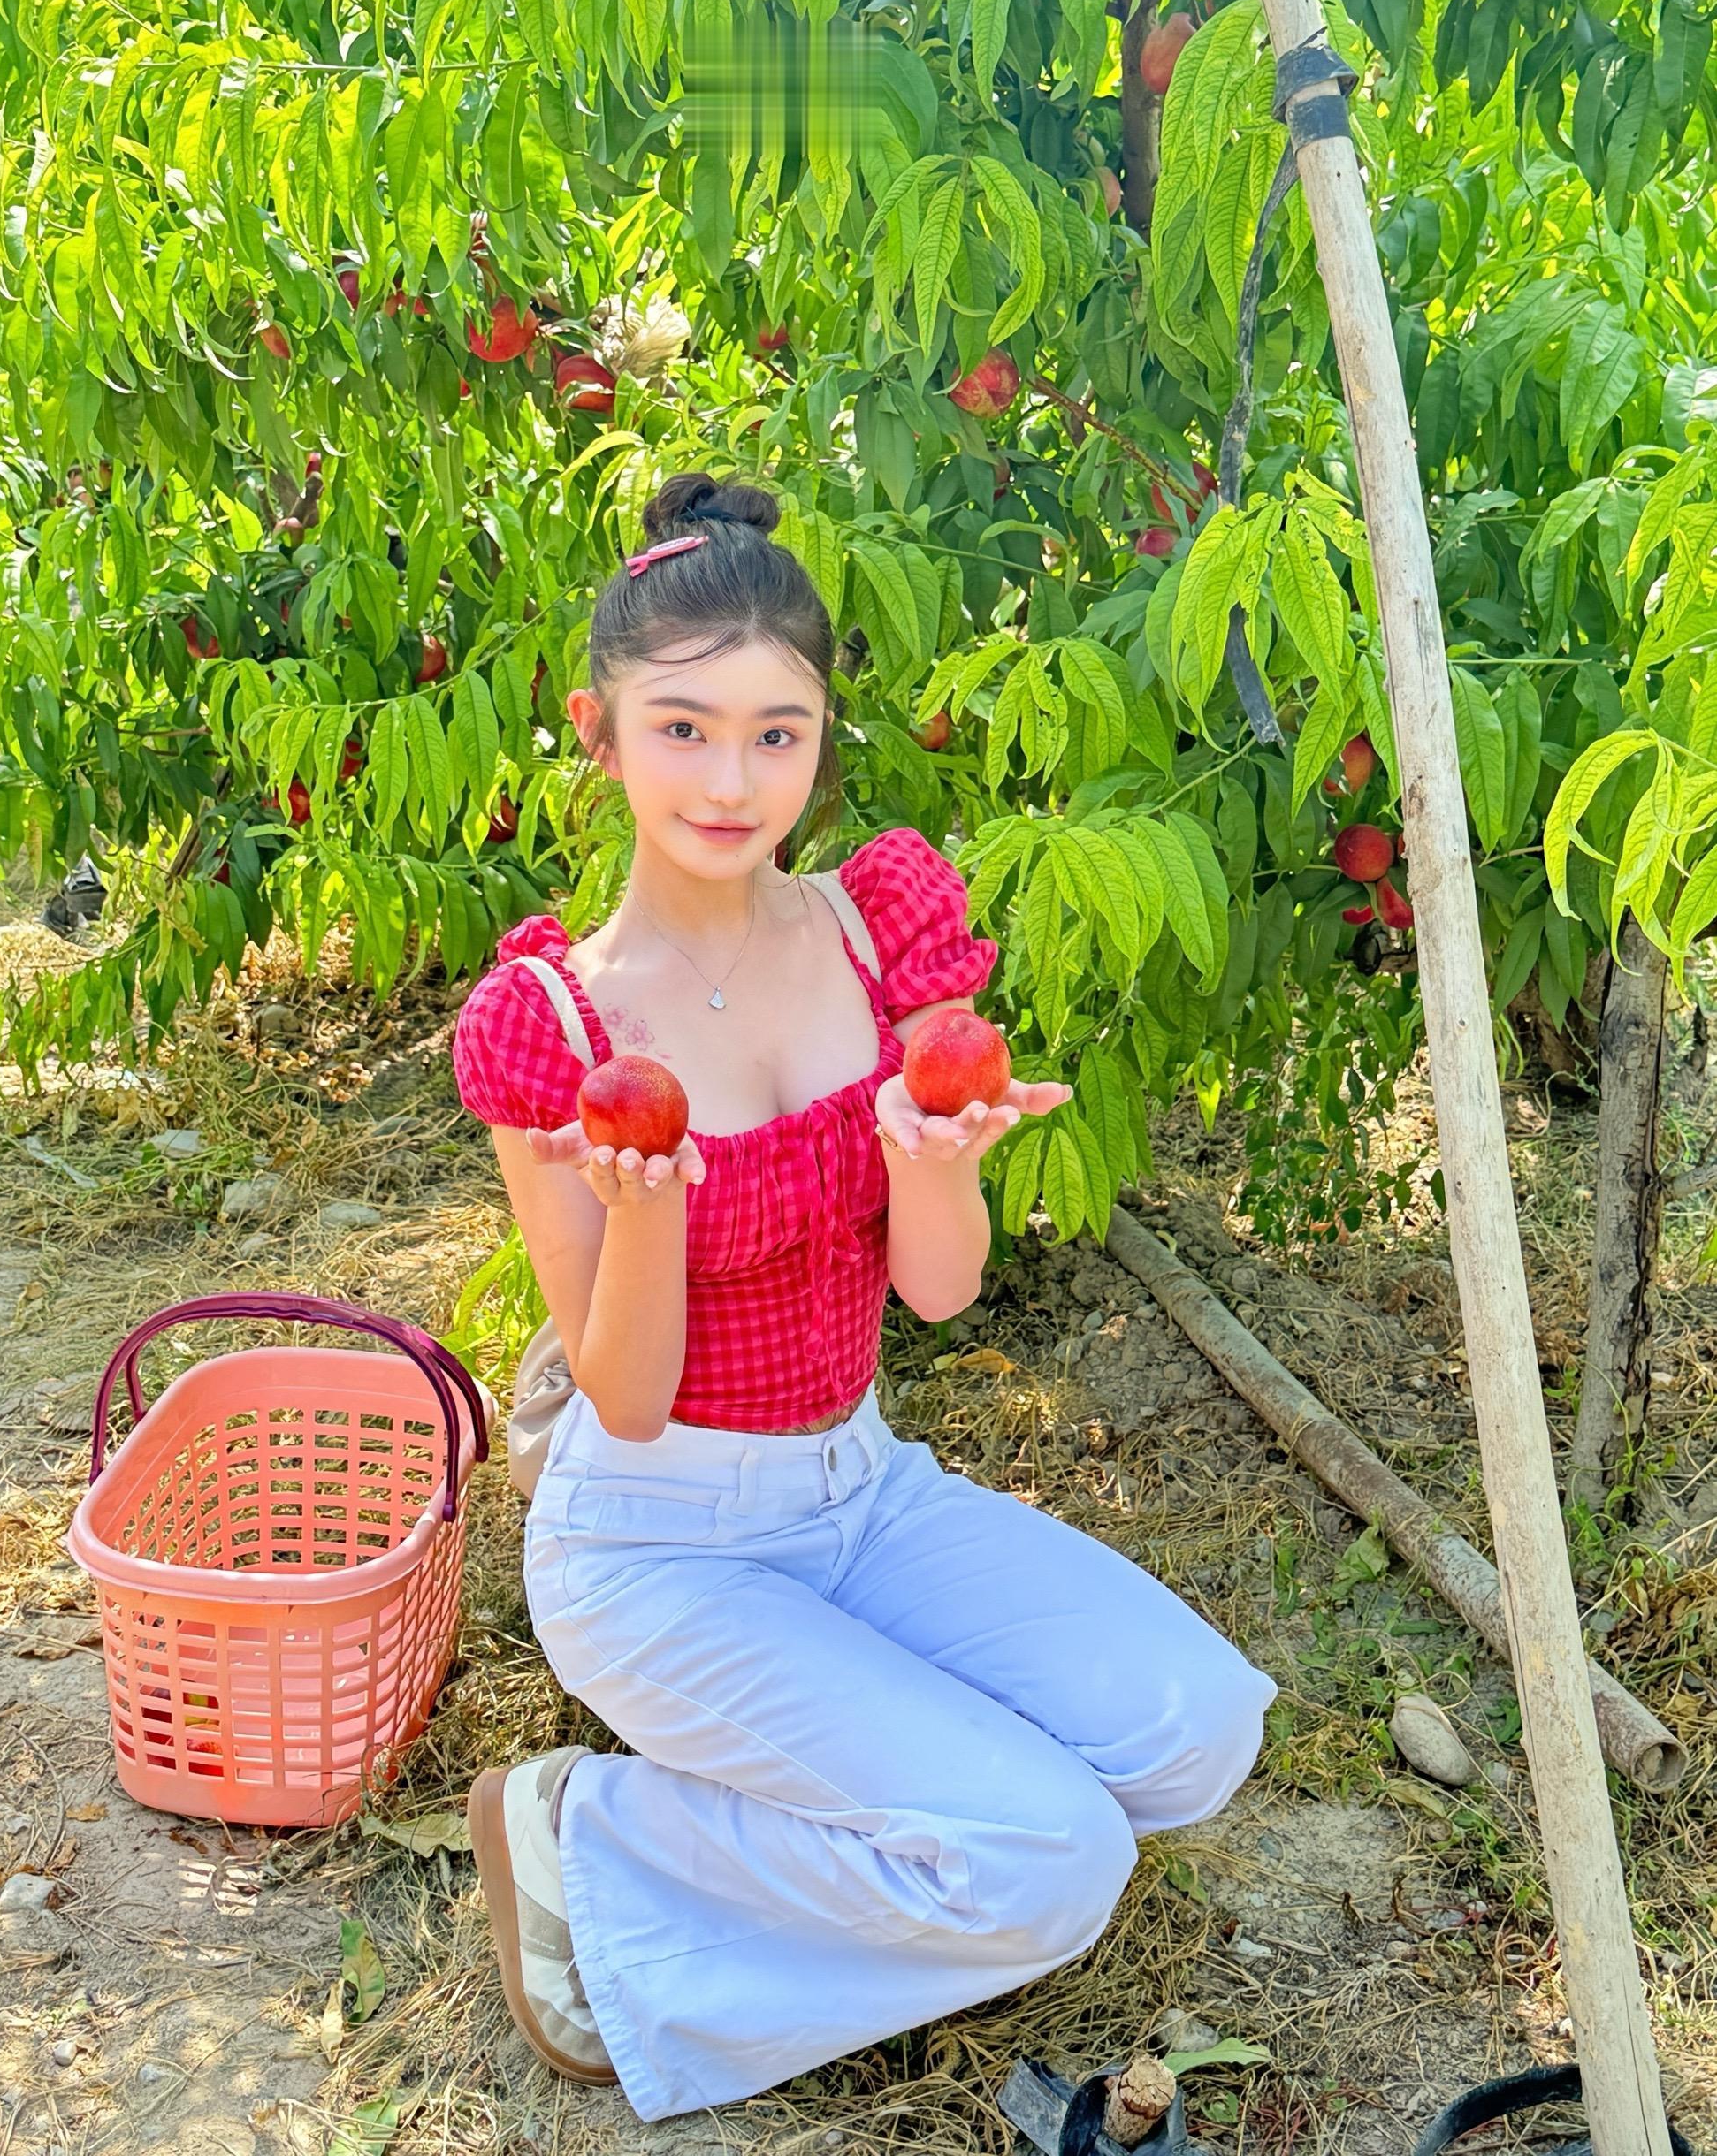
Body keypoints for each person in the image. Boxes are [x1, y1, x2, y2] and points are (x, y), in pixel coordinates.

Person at [451, 471, 1274, 2123]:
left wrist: (935, 1151)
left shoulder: (877, 928)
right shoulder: (557, 1022)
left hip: (862, 1492)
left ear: (823, 739)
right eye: (683, 730)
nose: (731, 780)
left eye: (777, 733)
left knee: (1195, 1735)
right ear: (599, 737)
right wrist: (650, 1212)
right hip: (659, 1542)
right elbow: (624, 1398)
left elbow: (941, 1292)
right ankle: (588, 1836)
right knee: (1055, 1863)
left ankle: (874, 1787)